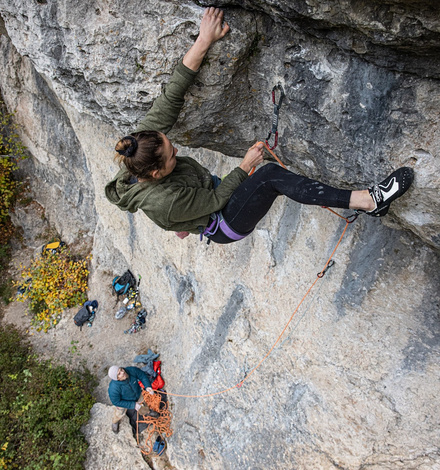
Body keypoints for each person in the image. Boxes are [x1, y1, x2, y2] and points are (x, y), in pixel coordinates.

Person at [105, 7, 414, 245]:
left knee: (253, 179)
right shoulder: (163, 201)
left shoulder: (139, 151)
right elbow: (215, 201)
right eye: (173, 155)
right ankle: (368, 201)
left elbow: (172, 94)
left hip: (198, 199)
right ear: (156, 173)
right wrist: (245, 166)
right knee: (268, 176)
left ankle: (369, 202)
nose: (177, 149)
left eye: (169, 143)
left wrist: (204, 39)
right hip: (224, 221)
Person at [107, 365, 155, 434]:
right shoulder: (113, 389)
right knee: (119, 413)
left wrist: (147, 386)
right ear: (117, 378)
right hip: (123, 401)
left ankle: (147, 412)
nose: (122, 372)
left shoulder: (131, 370)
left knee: (143, 405)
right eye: (119, 374)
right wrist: (133, 405)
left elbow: (142, 376)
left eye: (121, 369)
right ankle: (115, 422)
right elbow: (116, 401)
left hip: (137, 394)